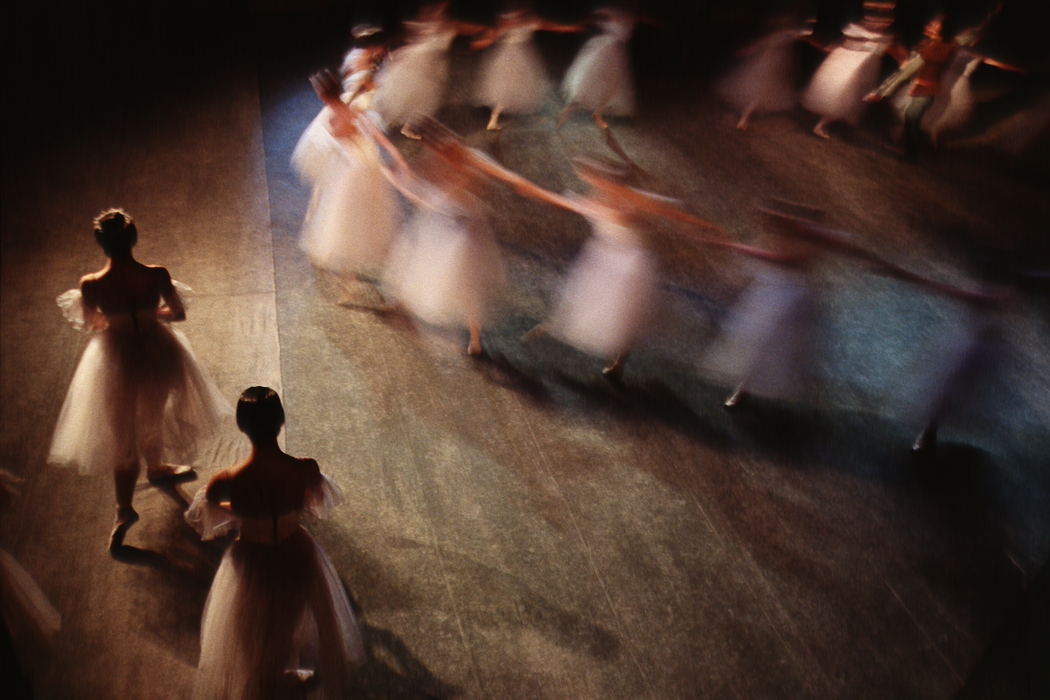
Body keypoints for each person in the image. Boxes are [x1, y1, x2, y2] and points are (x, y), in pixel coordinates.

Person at [48, 209, 229, 549]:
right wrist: (149, 314)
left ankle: (124, 507)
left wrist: (118, 319)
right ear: (133, 239)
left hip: (115, 358)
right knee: (153, 415)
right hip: (156, 351)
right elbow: (178, 313)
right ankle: (157, 466)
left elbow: (91, 323)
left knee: (122, 432)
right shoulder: (156, 275)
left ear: (101, 244)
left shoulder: (92, 284)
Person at [185, 387, 364, 699]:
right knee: (285, 623)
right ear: (280, 421)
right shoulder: (304, 468)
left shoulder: (228, 480)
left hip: (251, 559)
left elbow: (210, 511)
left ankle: (261, 682)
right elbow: (311, 501)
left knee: (250, 634)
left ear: (242, 426)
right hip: (296, 552)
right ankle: (275, 678)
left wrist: (246, 511)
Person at [512, 156, 722, 377]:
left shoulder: (635, 199)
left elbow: (671, 213)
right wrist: (535, 192)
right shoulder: (594, 199)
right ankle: (557, 324)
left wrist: (704, 228)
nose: (598, 183)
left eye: (601, 179)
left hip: (631, 265)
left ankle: (619, 361)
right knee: (584, 295)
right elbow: (563, 202)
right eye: (595, 179)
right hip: (603, 256)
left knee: (624, 313)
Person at [370, 2, 485, 138]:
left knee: (421, 98)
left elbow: (468, 29)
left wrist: (485, 31)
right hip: (418, 61)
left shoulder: (449, 26)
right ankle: (380, 121)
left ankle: (407, 127)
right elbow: (415, 27)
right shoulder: (431, 25)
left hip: (431, 66)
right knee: (406, 93)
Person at [801, 3, 907, 138]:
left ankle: (827, 121)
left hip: (862, 57)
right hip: (853, 56)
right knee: (839, 89)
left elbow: (884, 40)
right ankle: (823, 122)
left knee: (846, 92)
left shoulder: (879, 31)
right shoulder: (862, 29)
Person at [471, 8, 582, 131]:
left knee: (516, 87)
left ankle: (494, 119)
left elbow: (549, 26)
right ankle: (493, 119)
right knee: (504, 88)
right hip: (510, 56)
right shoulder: (510, 17)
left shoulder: (532, 17)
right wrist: (484, 40)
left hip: (522, 55)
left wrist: (568, 28)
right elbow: (497, 31)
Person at [558, 7, 638, 130]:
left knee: (612, 86)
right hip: (605, 50)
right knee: (591, 82)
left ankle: (598, 114)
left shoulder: (629, 16)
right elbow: (593, 16)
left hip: (617, 54)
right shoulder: (609, 12)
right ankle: (568, 110)